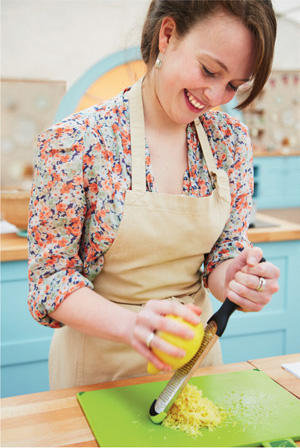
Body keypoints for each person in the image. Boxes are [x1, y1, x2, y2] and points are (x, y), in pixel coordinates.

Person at [28, 0, 280, 390]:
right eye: (209, 70)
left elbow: (222, 253)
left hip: (193, 366)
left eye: (233, 85)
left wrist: (236, 278)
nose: (214, 95)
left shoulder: (230, 142)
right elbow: (50, 281)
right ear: (167, 35)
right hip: (96, 370)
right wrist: (133, 326)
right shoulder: (77, 141)